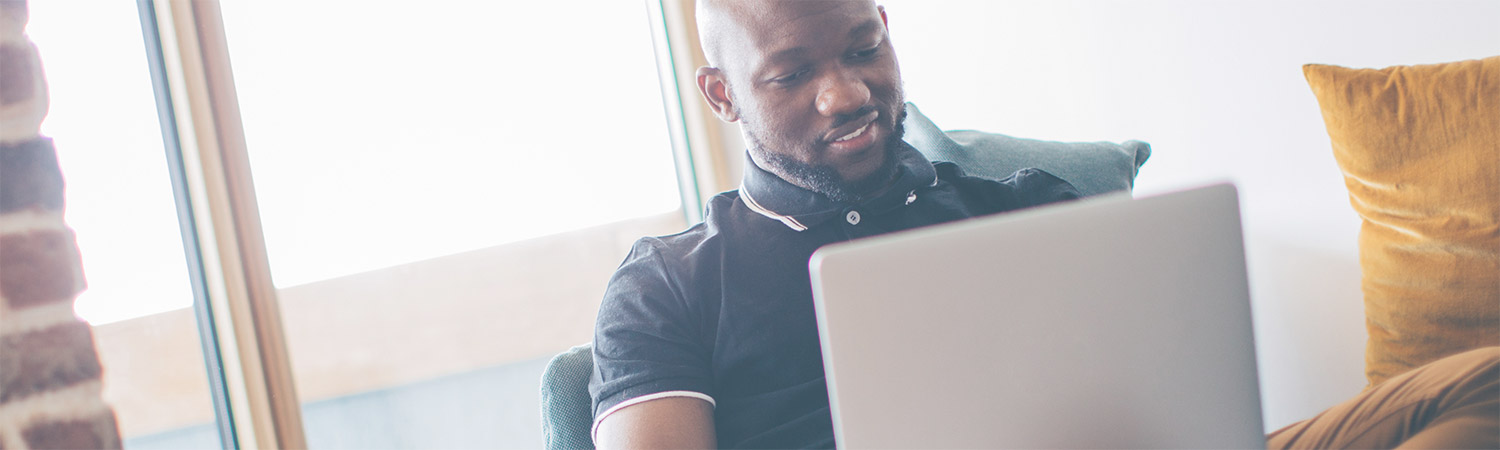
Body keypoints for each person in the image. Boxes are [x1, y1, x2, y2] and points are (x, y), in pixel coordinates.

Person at [588, 1, 1500, 449]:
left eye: (865, 48)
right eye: (792, 76)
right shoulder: (669, 283)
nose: (847, 93)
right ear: (721, 94)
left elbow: (1173, 395)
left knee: (1482, 381)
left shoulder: (1023, 204)